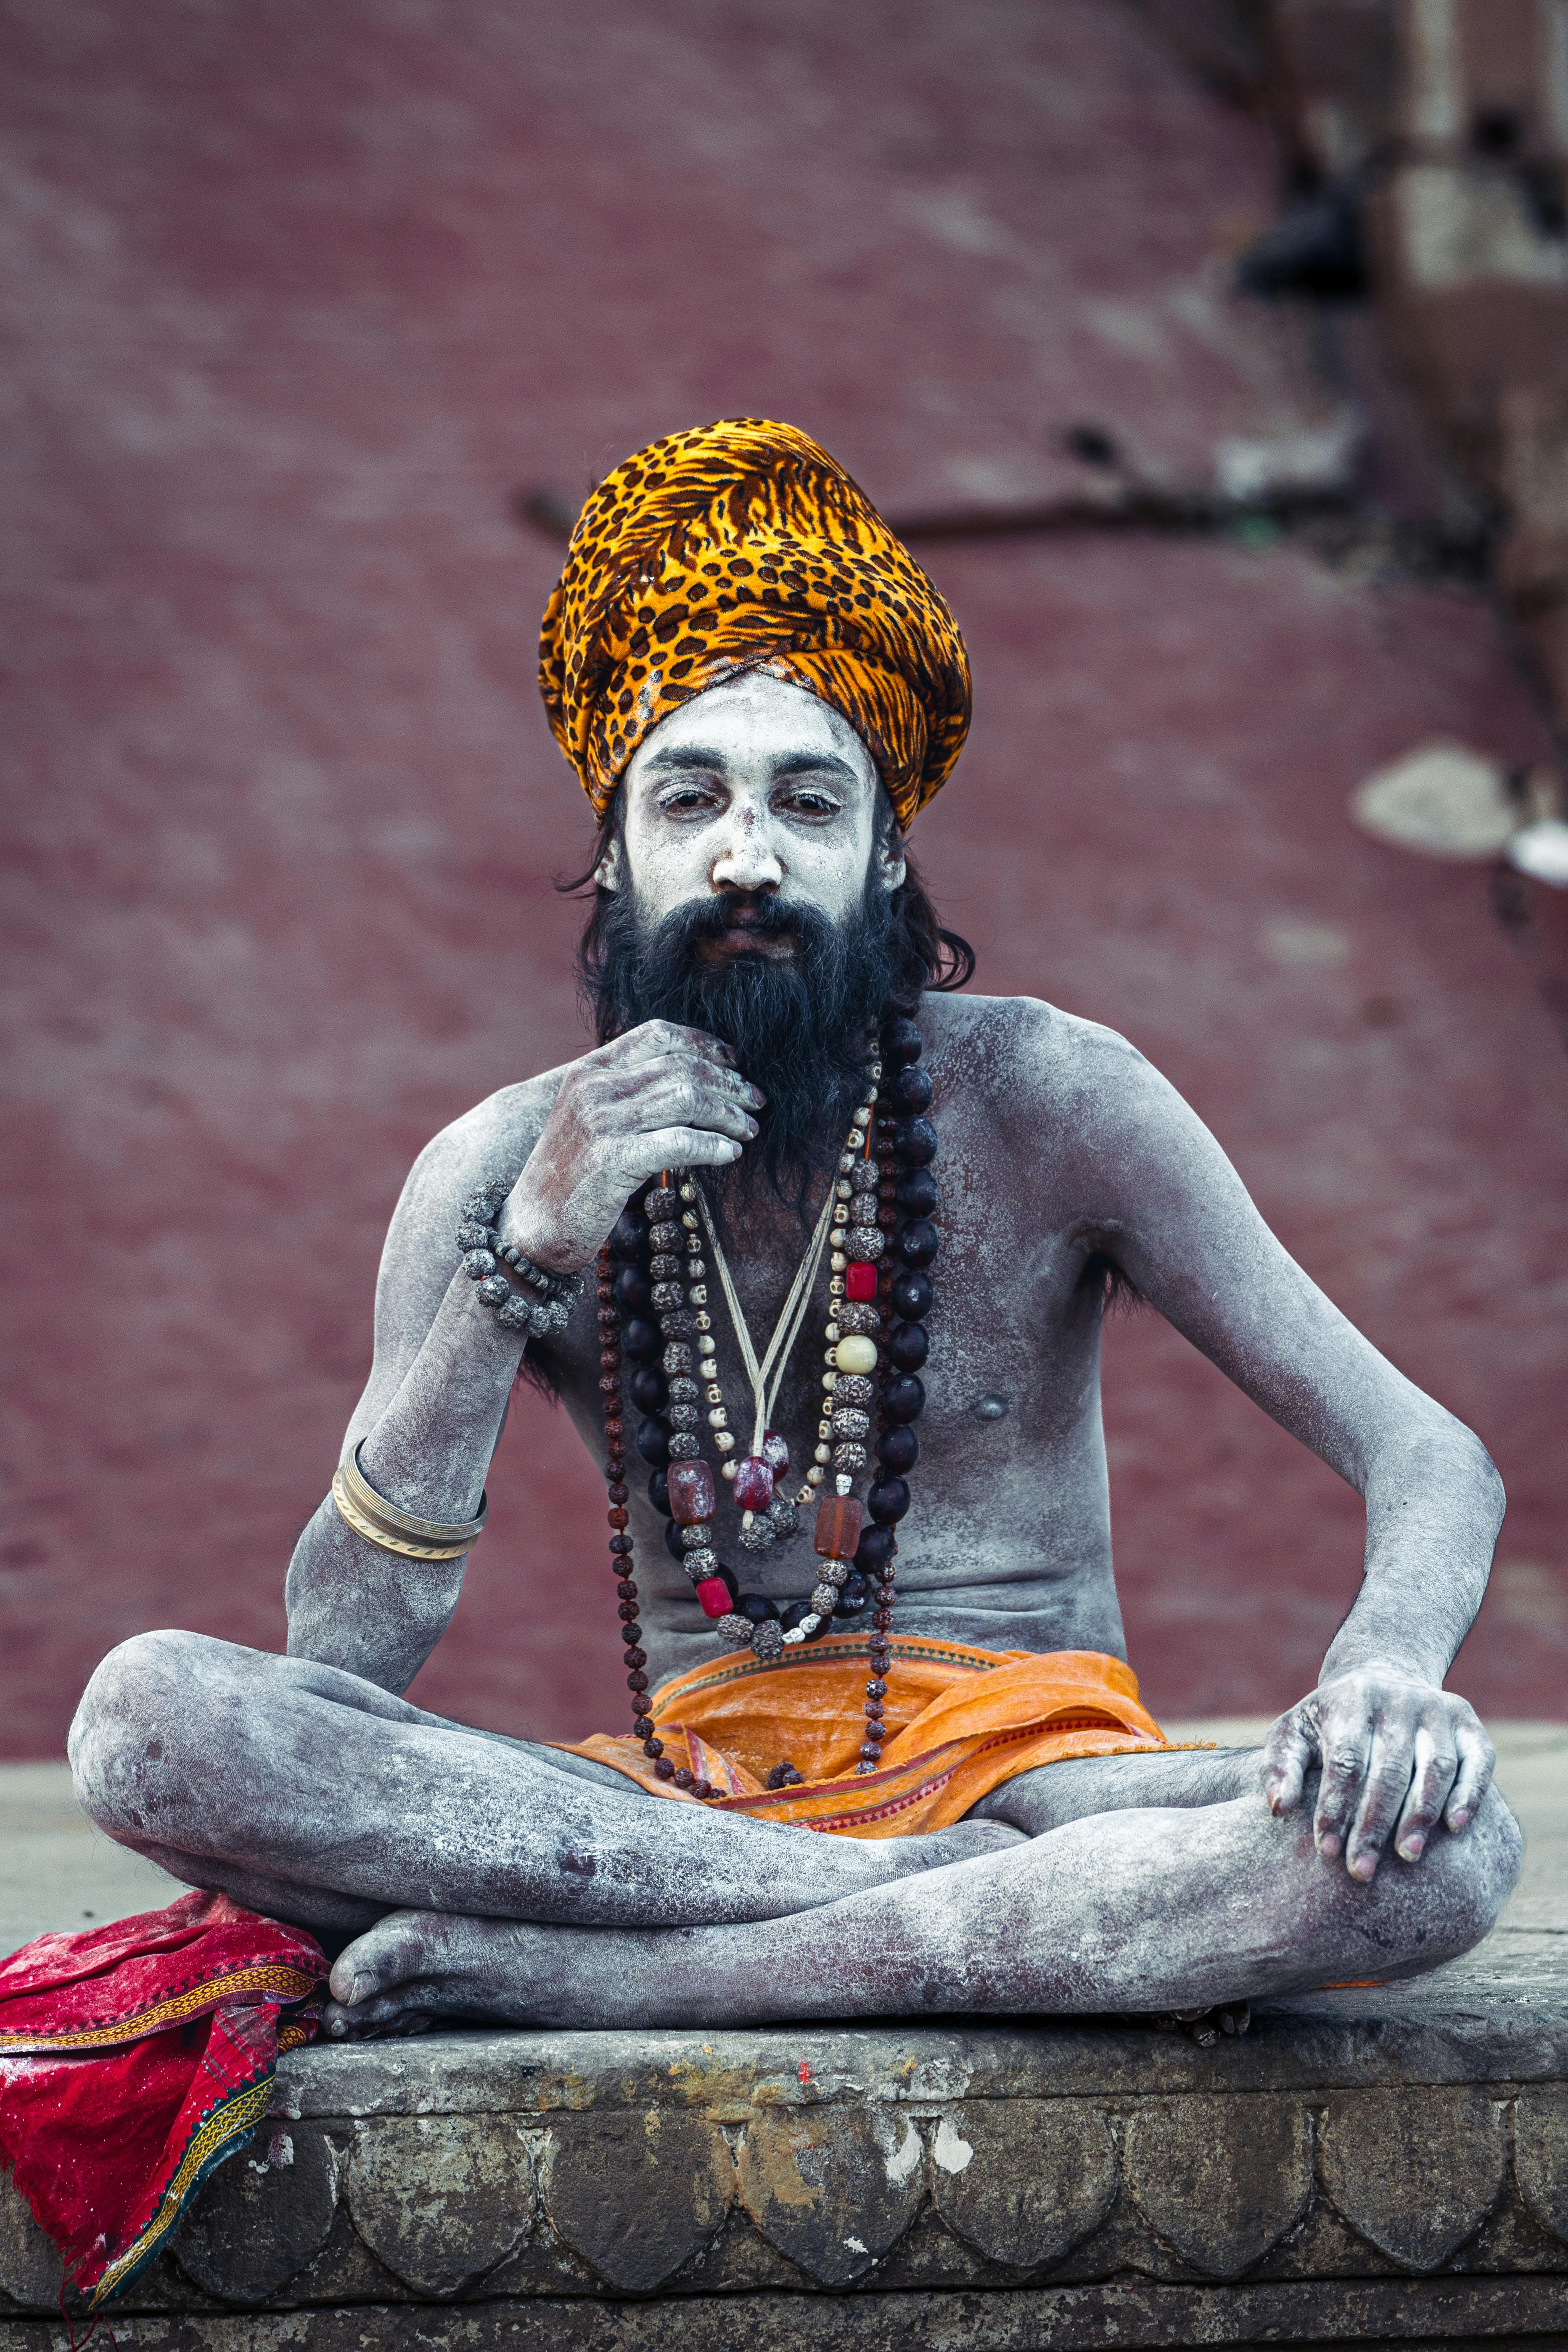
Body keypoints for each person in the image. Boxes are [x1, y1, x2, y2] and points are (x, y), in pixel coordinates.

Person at [70, 420, 1520, 2041]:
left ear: (884, 850)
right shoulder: (497, 1164)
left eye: (806, 803)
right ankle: (878, 1924)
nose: (745, 856)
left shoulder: (1052, 1094)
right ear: (612, 854)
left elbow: (1429, 1453)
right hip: (678, 1809)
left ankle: (649, 1982)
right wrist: (523, 1263)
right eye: (687, 798)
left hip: (1039, 1791)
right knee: (150, 1721)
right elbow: (342, 1650)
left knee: (1436, 1855)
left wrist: (1382, 1668)